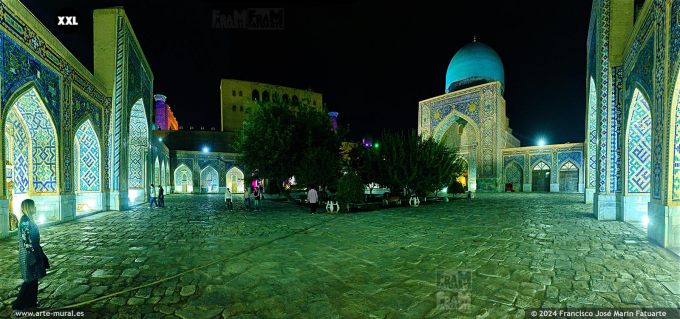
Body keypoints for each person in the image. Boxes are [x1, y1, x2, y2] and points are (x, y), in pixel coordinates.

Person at [12, 199, 48, 310]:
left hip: (33, 252)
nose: (35, 208)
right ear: (29, 207)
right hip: (28, 255)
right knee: (29, 280)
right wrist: (32, 257)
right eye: (33, 206)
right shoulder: (25, 221)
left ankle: (31, 303)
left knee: (34, 278)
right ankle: (18, 304)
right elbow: (26, 241)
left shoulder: (29, 220)